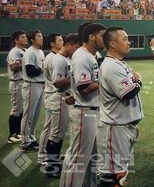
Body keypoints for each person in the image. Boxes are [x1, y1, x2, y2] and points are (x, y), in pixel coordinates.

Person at [60, 22, 106, 187]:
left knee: (91, 158)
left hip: (93, 110)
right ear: (91, 37)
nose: (105, 39)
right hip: (85, 112)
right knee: (79, 158)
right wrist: (106, 81)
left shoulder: (94, 55)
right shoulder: (82, 56)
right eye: (102, 35)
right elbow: (84, 87)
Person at [98, 27, 144, 187]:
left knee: (119, 175)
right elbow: (128, 92)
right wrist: (139, 80)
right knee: (112, 178)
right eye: (124, 39)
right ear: (112, 44)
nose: (128, 42)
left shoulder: (118, 63)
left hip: (123, 126)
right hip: (115, 128)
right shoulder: (111, 66)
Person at [43, 33, 82, 179]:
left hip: (65, 98)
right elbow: (57, 82)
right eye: (76, 47)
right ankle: (51, 167)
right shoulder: (59, 60)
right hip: (60, 98)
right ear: (69, 44)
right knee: (56, 134)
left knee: (59, 133)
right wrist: (75, 79)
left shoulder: (64, 58)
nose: (77, 50)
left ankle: (55, 164)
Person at [38, 33, 63, 165]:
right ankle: (42, 156)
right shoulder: (52, 57)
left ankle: (49, 154)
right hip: (51, 94)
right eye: (59, 40)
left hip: (53, 94)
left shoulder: (56, 57)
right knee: (49, 127)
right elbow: (56, 81)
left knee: (53, 128)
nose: (62, 42)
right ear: (52, 44)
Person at [20, 29, 45, 152]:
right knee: (29, 114)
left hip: (40, 85)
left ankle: (31, 138)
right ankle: (25, 142)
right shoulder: (30, 52)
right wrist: (42, 70)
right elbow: (30, 71)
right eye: (39, 37)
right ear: (32, 40)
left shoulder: (40, 52)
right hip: (31, 84)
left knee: (35, 114)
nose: (41, 38)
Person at [7, 30, 27, 144]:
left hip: (25, 82)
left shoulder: (26, 51)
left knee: (23, 109)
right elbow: (13, 66)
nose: (25, 39)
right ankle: (12, 134)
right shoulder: (15, 51)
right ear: (16, 40)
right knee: (16, 109)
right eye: (22, 37)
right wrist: (28, 64)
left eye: (25, 37)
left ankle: (18, 132)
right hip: (16, 82)